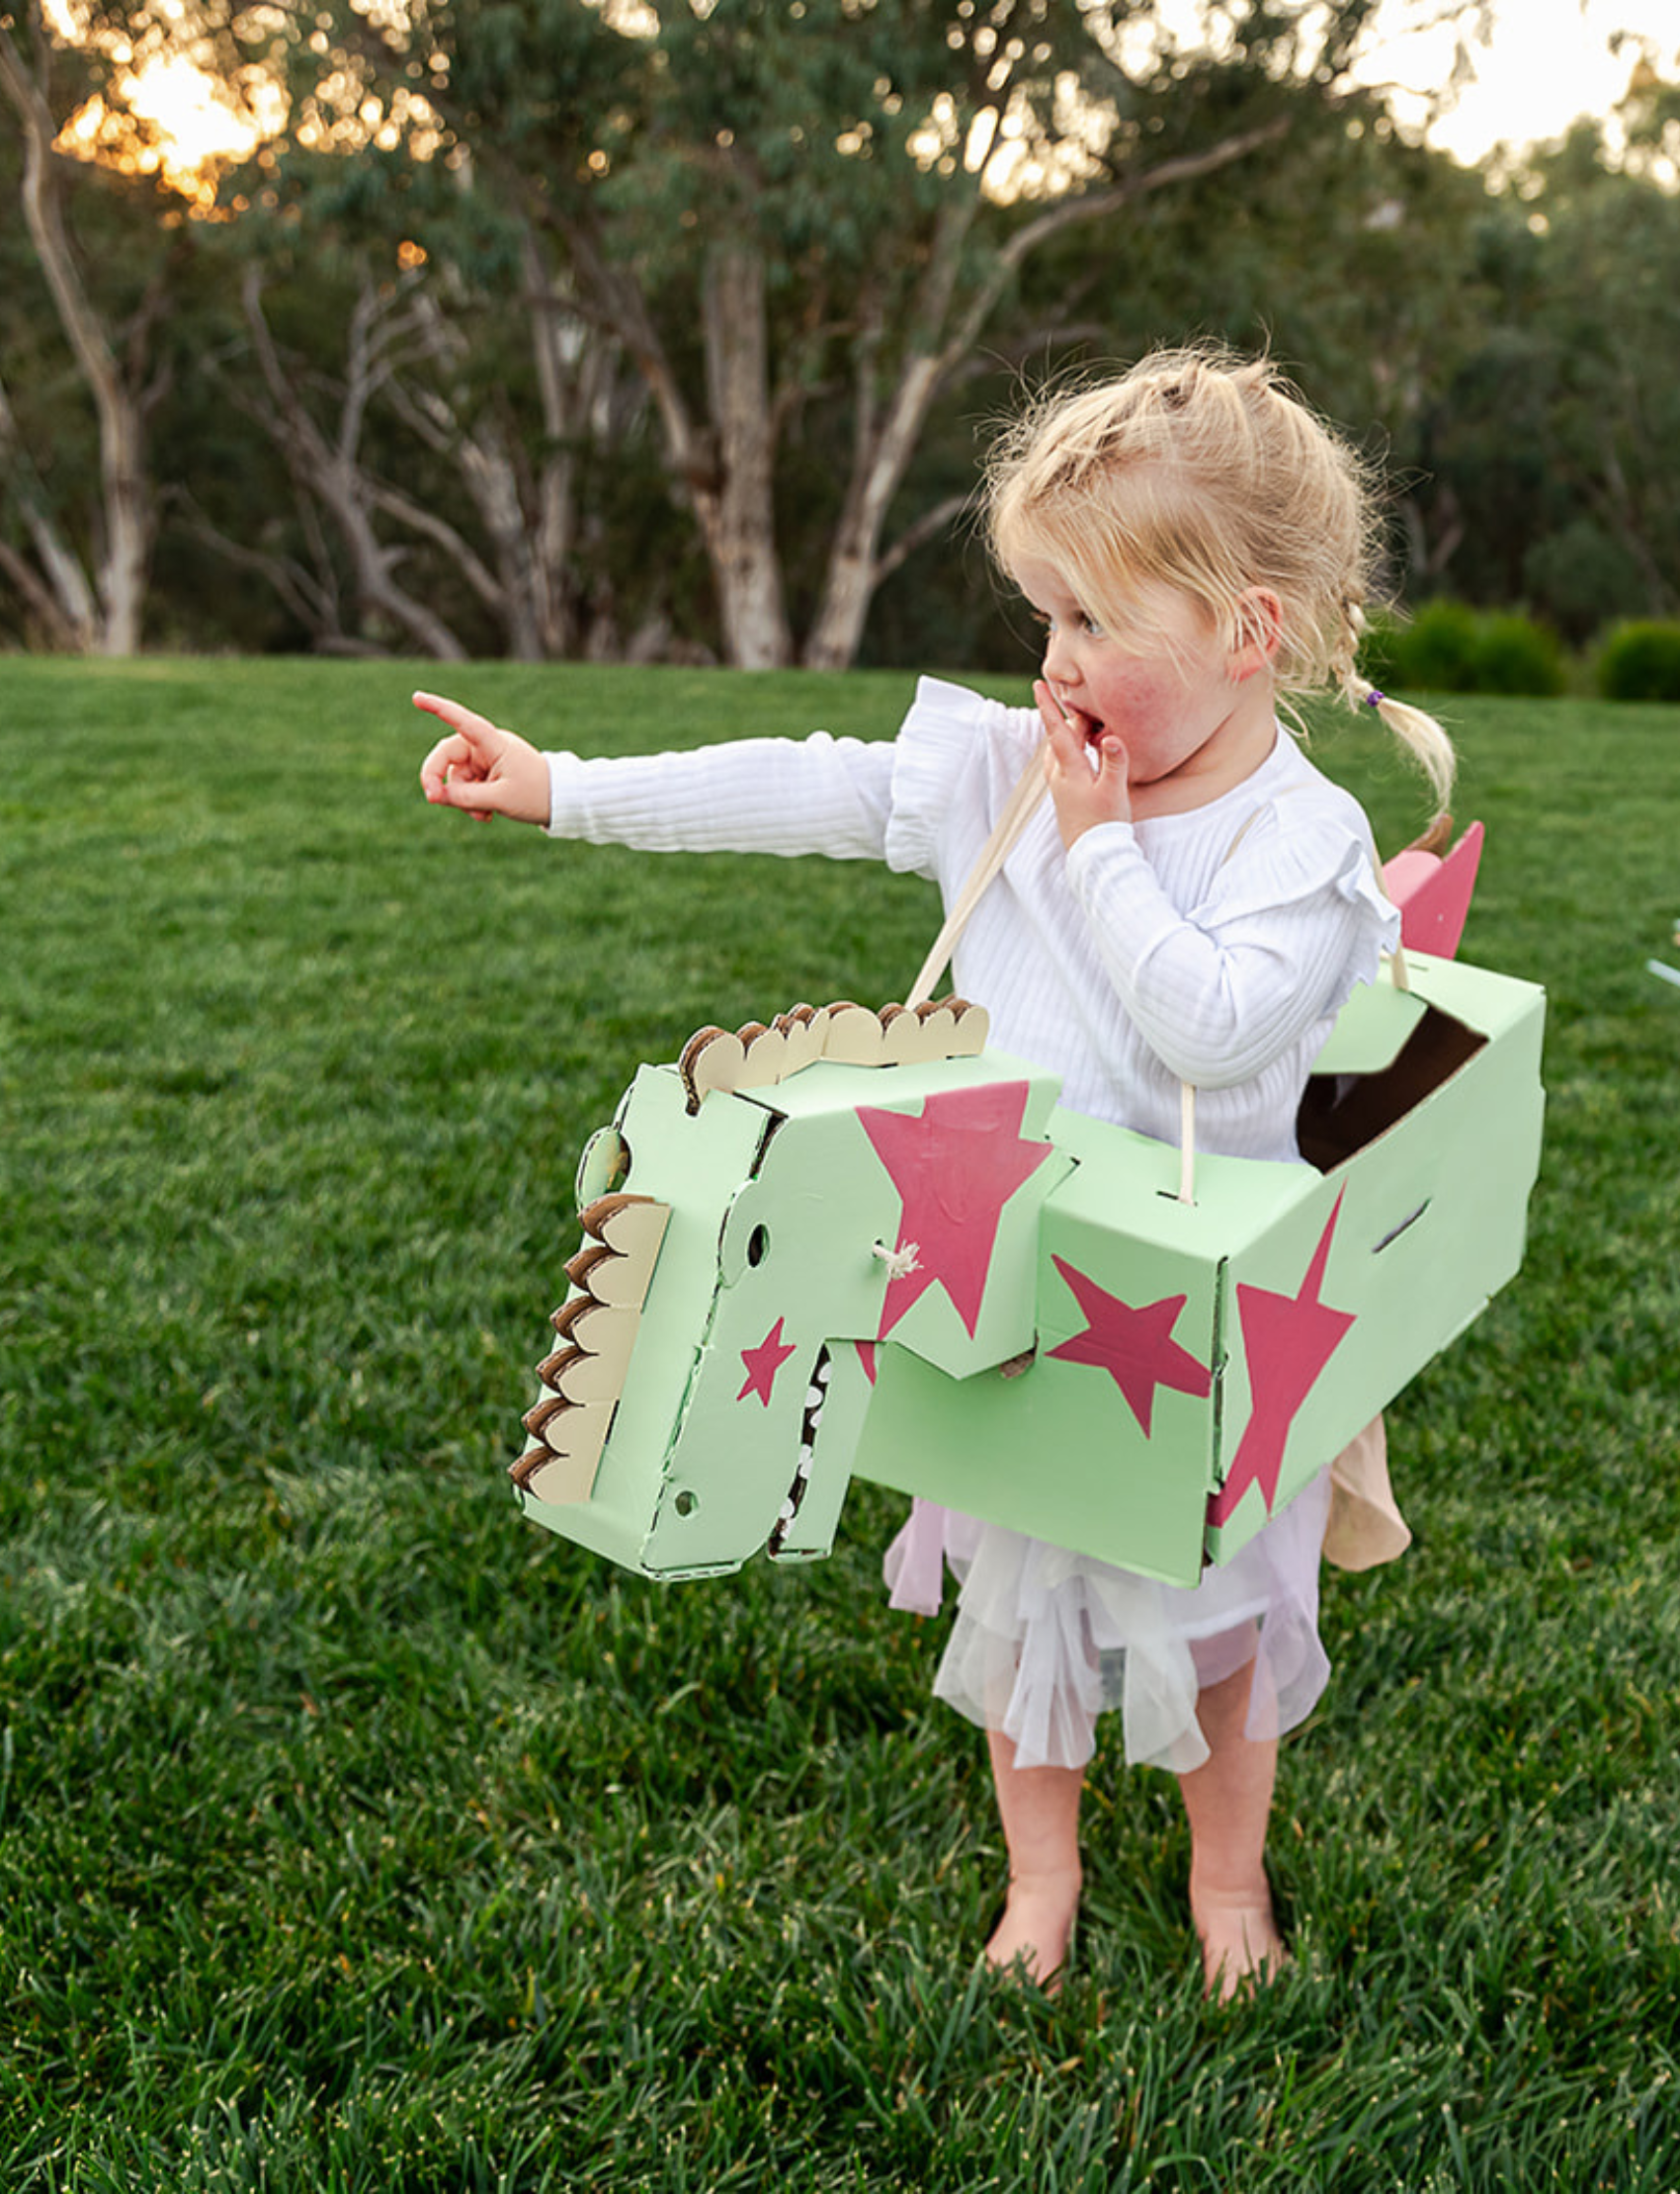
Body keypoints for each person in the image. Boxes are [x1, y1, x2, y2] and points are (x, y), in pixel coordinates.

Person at [415, 346, 1452, 2000]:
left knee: (1222, 1630)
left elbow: (1211, 1033)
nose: (1058, 664)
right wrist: (567, 790)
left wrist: (1101, 847)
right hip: (1009, 1287)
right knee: (1027, 1598)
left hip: (1209, 1326)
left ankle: (1226, 1879)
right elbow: (814, 782)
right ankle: (1041, 1876)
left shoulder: (1299, 843)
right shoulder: (1015, 766)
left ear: (1250, 634)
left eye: (1101, 623)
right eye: (1046, 615)